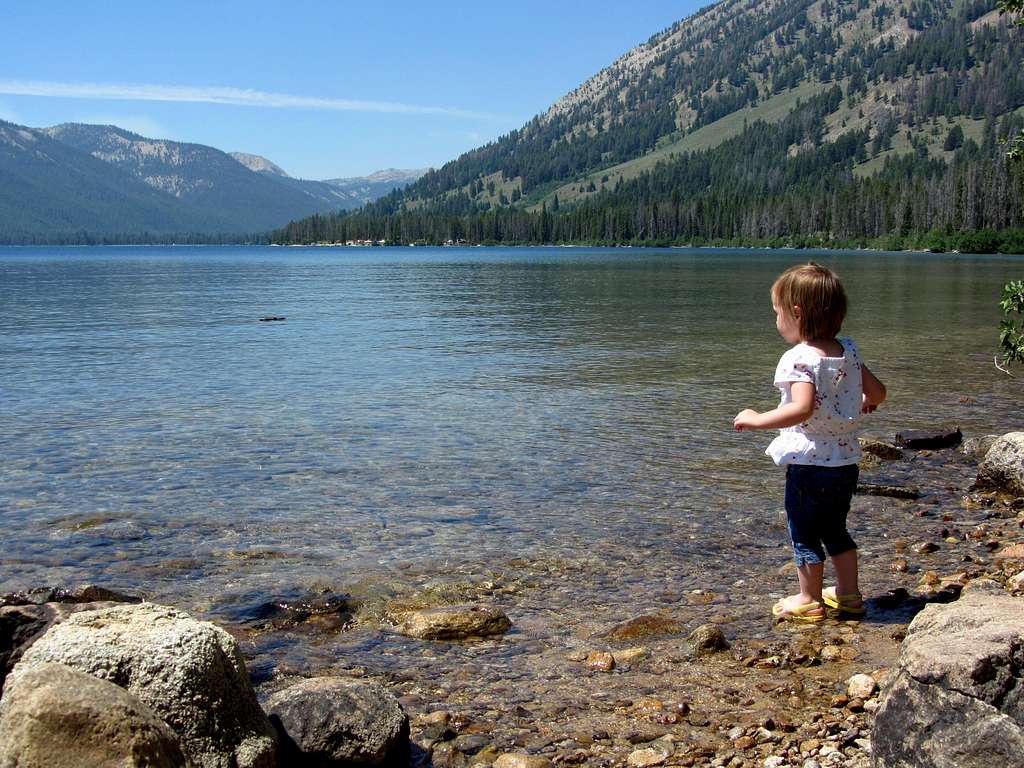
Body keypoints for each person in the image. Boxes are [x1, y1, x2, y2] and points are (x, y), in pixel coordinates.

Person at [733, 262, 886, 621]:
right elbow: (878, 391)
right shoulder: (847, 350)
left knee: (803, 532)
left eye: (777, 313)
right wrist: (865, 400)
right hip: (845, 462)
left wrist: (757, 420)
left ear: (797, 313)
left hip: (809, 464)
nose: (776, 321)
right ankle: (848, 594)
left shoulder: (797, 358)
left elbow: (801, 410)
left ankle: (808, 598)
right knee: (836, 529)